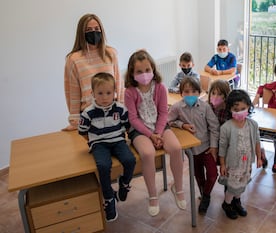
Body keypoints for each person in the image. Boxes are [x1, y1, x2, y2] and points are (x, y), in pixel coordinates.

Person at [124, 49, 186, 217]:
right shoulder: (130, 92)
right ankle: (153, 195)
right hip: (140, 131)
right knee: (147, 153)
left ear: (153, 69)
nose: (144, 74)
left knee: (175, 148)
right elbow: (133, 119)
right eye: (139, 71)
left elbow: (164, 113)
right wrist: (151, 136)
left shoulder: (160, 87)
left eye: (147, 70)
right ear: (132, 73)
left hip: (160, 127)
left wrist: (158, 132)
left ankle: (178, 188)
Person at [78, 72, 136, 222]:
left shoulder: (120, 109)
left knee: (130, 160)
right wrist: (94, 141)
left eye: (108, 93)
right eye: (100, 93)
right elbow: (83, 132)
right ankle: (109, 198)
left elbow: (127, 126)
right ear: (93, 94)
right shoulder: (87, 113)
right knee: (103, 166)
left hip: (118, 140)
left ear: (115, 93)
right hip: (99, 144)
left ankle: (124, 183)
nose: (104, 97)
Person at [168, 77, 220, 215]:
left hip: (207, 147)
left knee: (213, 174)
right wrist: (182, 125)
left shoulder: (205, 107)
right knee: (198, 175)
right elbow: (168, 121)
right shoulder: (177, 107)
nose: (190, 95)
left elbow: (214, 127)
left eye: (194, 91)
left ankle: (206, 196)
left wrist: (214, 147)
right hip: (191, 150)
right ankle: (203, 195)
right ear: (181, 93)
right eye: (186, 91)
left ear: (199, 92)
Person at [64, 13, 123, 131]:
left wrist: (123, 109)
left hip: (113, 113)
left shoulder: (111, 53)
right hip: (89, 116)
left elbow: (119, 85)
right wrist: (75, 121)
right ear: (82, 33)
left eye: (97, 29)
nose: (94, 32)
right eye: (89, 30)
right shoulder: (74, 59)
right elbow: (72, 93)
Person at [218, 89, 262, 219]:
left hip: (246, 162)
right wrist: (222, 164)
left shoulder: (253, 124)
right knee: (232, 186)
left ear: (249, 106)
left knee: (242, 183)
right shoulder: (226, 127)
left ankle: (236, 202)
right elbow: (222, 147)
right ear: (230, 109)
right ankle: (227, 204)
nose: (240, 112)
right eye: (236, 109)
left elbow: (257, 142)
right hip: (233, 163)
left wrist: (259, 158)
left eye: (243, 108)